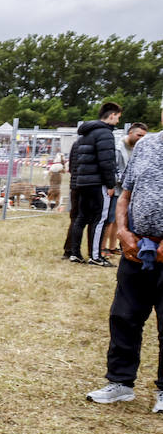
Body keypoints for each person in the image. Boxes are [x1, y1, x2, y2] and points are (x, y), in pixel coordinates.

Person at [86, 127, 163, 413]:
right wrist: (123, 231)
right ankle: (120, 383)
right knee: (124, 317)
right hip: (136, 248)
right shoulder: (145, 146)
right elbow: (125, 195)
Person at [62, 101, 122, 266]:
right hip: (97, 184)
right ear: (111, 115)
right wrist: (111, 184)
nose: (117, 121)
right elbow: (107, 162)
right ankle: (96, 256)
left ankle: (74, 253)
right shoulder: (105, 134)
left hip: (82, 183)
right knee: (100, 219)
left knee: (81, 218)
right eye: (117, 117)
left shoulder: (84, 135)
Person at [104, 122, 149, 255]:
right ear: (130, 133)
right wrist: (113, 184)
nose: (141, 138)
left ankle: (113, 247)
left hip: (128, 191)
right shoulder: (118, 148)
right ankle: (103, 247)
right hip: (117, 189)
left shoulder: (138, 148)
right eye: (139, 135)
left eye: (143, 136)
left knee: (119, 221)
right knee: (109, 220)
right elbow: (113, 168)